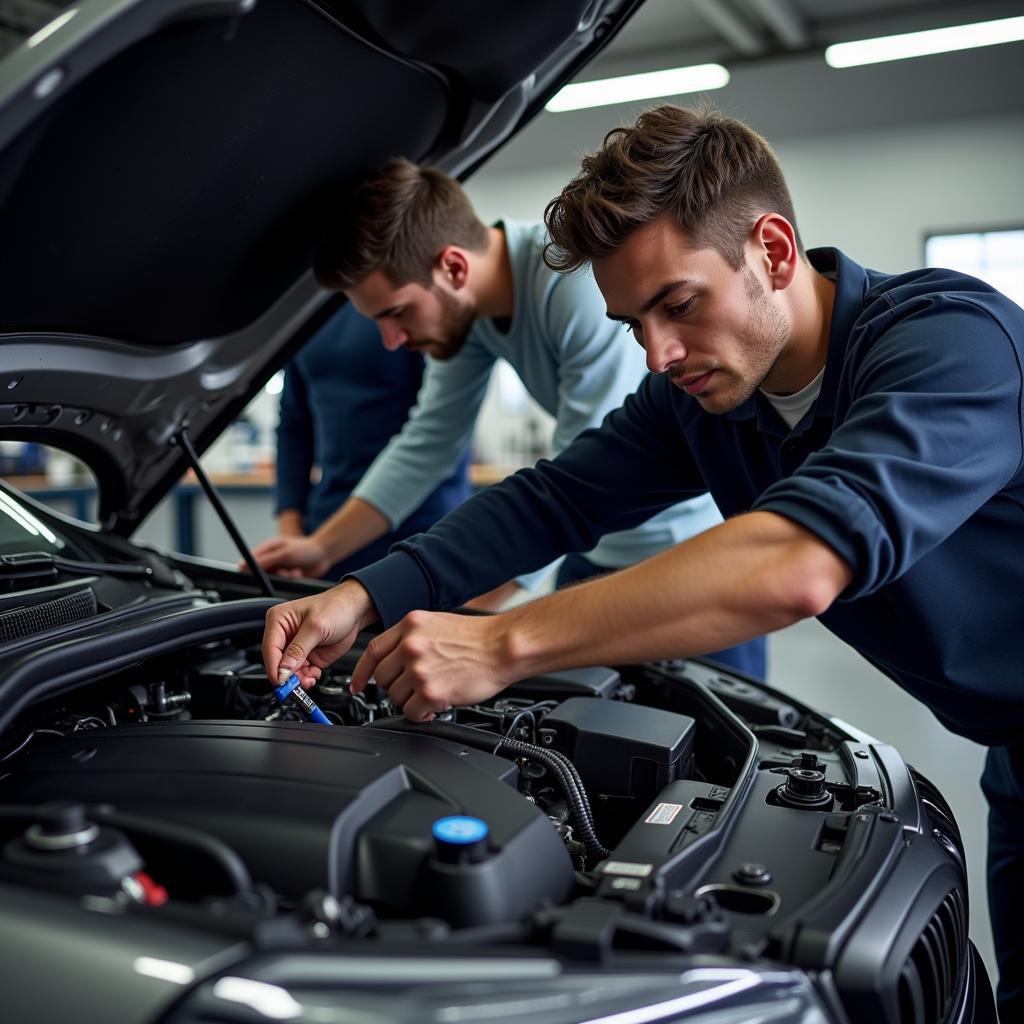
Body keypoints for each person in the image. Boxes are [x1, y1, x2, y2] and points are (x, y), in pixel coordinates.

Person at [262, 106, 1024, 1015]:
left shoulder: (950, 342)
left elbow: (797, 562)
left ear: (774, 251)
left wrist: (501, 643)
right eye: (633, 323)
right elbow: (557, 497)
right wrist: (362, 593)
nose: (658, 354)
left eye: (679, 304)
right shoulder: (705, 400)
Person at [253, 156, 764, 674]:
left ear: (452, 267)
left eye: (397, 313)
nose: (392, 340)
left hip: (683, 559)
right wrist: (321, 548)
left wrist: (479, 620)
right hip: (593, 558)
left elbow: (579, 484)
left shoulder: (573, 284)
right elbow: (428, 443)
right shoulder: (470, 318)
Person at [258, 303, 471, 579]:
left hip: (418, 529)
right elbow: (294, 425)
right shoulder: (305, 308)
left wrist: (322, 546)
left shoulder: (406, 302)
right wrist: (290, 530)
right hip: (327, 525)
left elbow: (436, 433)